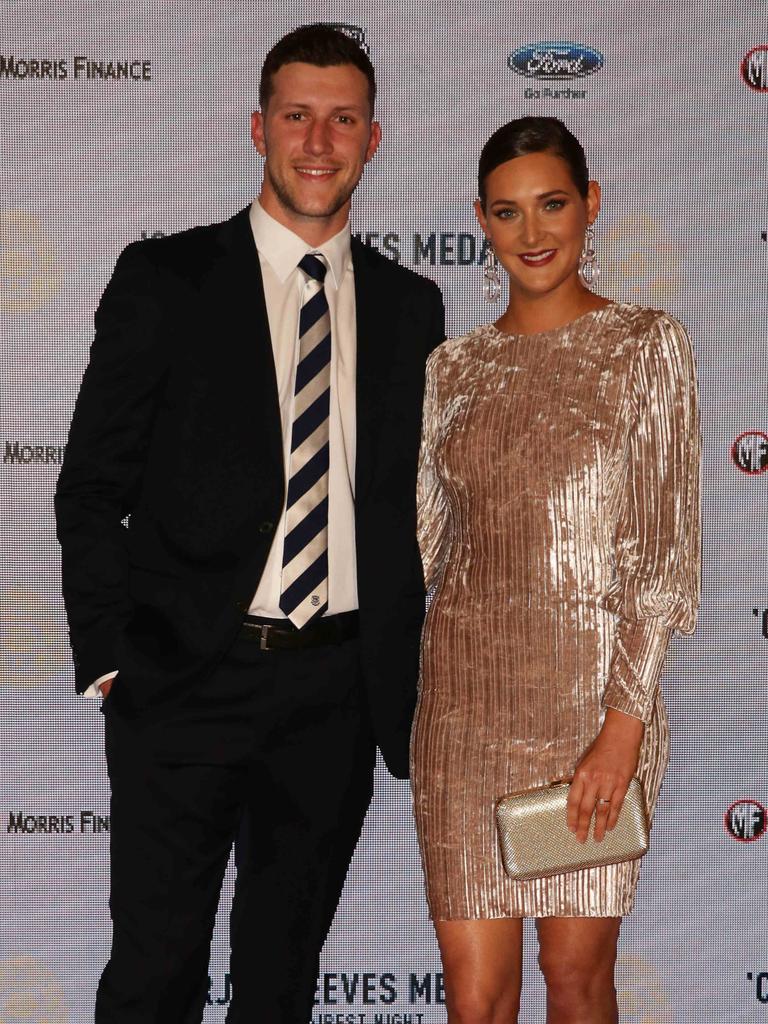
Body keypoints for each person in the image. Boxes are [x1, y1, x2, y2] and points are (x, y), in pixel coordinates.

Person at [55, 24, 444, 1024]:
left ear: (374, 137)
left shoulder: (412, 308)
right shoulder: (167, 279)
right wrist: (109, 653)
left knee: (281, 987)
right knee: (154, 977)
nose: (320, 140)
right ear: (258, 127)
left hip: (334, 694)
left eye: (343, 118)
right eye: (298, 115)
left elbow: (410, 510)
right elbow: (91, 483)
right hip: (184, 677)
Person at [411, 116, 699, 1024]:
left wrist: (624, 725)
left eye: (552, 205)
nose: (532, 234)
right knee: (476, 997)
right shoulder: (451, 369)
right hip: (460, 716)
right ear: (481, 222)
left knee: (575, 982)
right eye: (507, 212)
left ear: (591, 205)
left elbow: (660, 554)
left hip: (589, 715)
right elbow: (423, 546)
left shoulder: (645, 347)